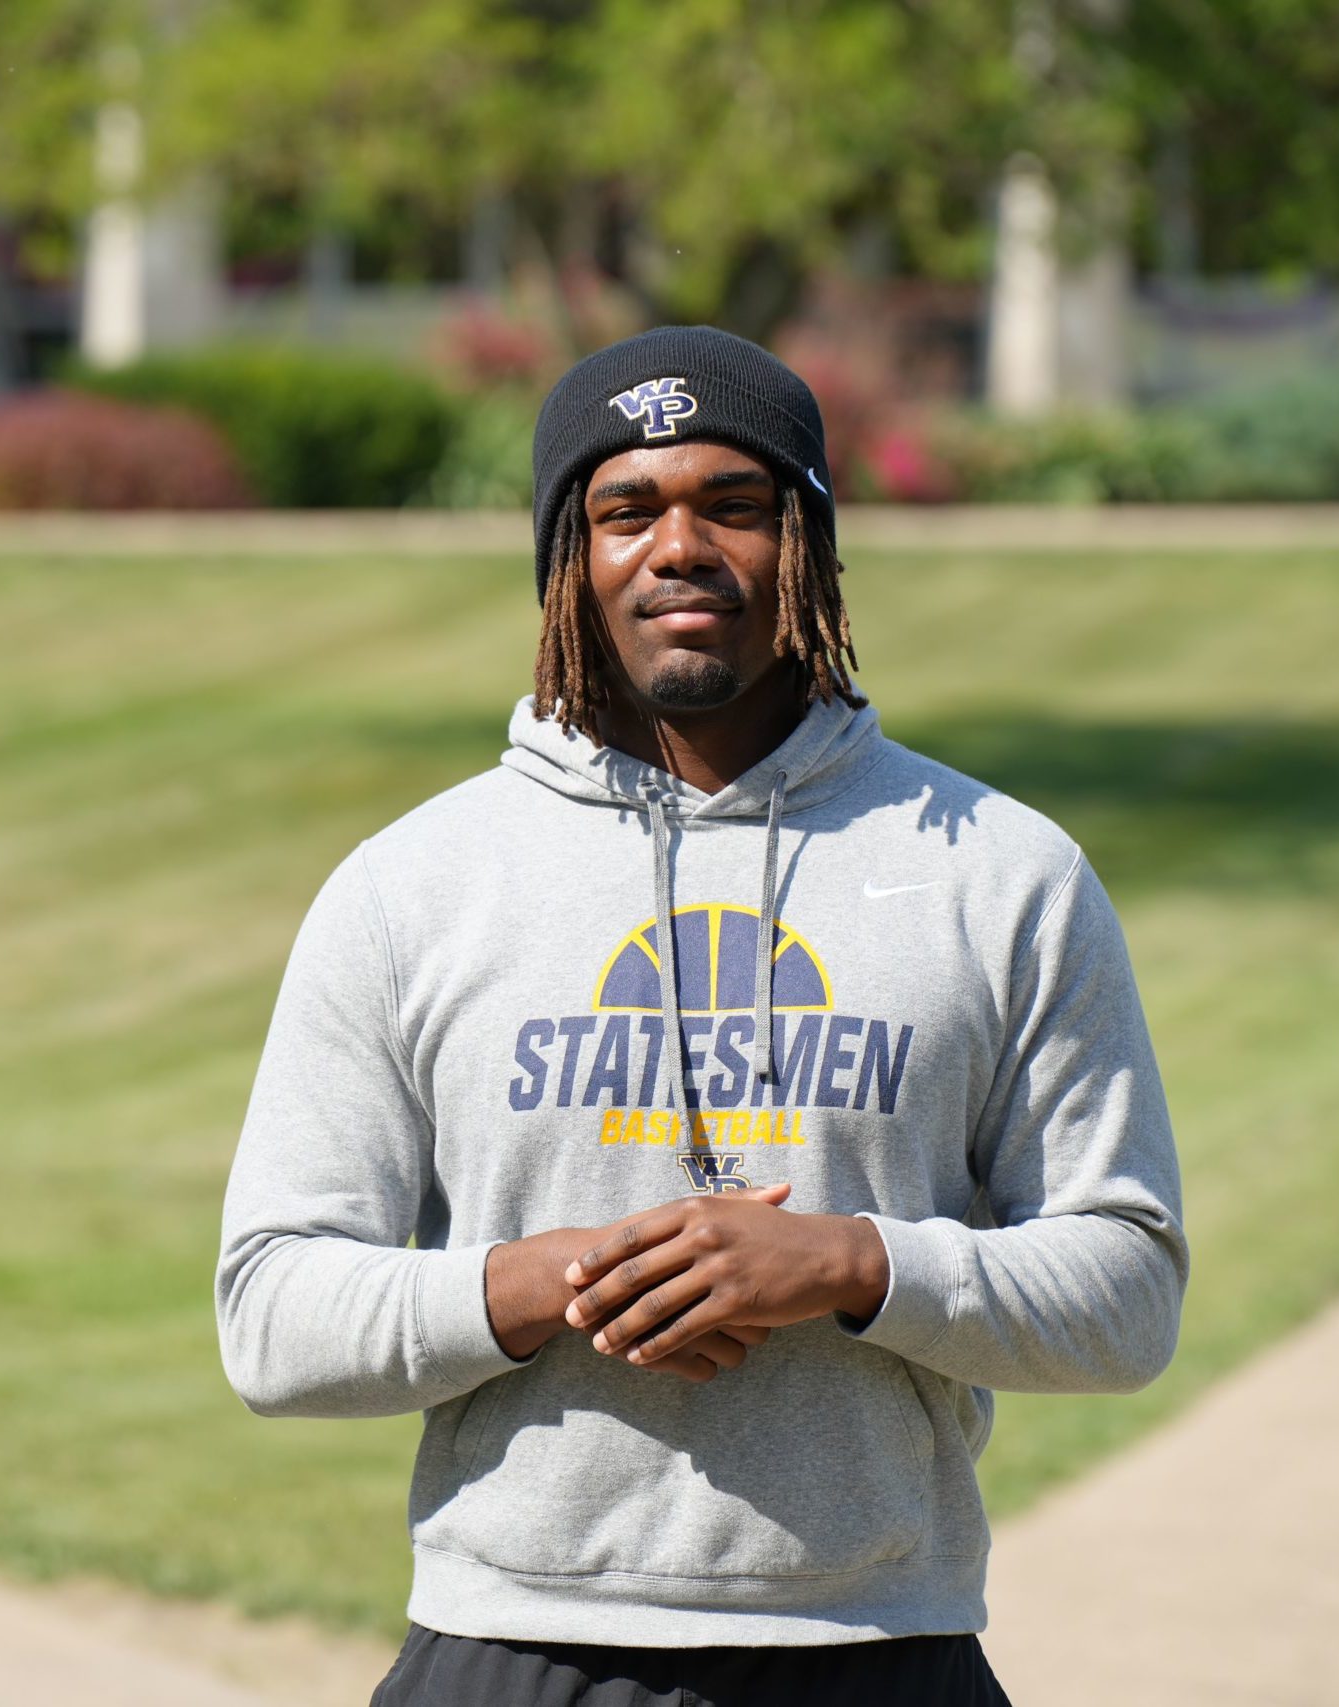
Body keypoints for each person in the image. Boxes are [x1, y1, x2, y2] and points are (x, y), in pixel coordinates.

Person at [215, 325, 1190, 1706]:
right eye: (626, 511)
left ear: (810, 544)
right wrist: (562, 1280)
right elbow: (271, 1315)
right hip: (513, 1643)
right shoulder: (411, 888)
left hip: (875, 1648)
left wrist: (850, 1266)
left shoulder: (1001, 872)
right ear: (568, 561)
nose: (679, 548)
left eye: (734, 504)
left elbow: (1128, 1294)